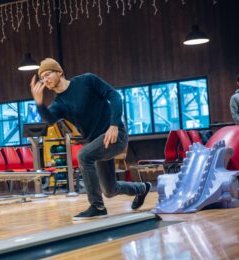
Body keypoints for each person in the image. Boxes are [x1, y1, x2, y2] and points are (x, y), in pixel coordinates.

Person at [30, 58, 151, 220]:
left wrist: (114, 125)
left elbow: (115, 96)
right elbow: (50, 120)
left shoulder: (87, 80)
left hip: (116, 135)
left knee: (83, 155)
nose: (45, 79)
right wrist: (39, 104)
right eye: (42, 77)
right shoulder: (59, 103)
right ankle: (143, 188)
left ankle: (97, 206)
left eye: (48, 73)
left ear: (59, 72)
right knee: (110, 190)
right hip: (98, 143)